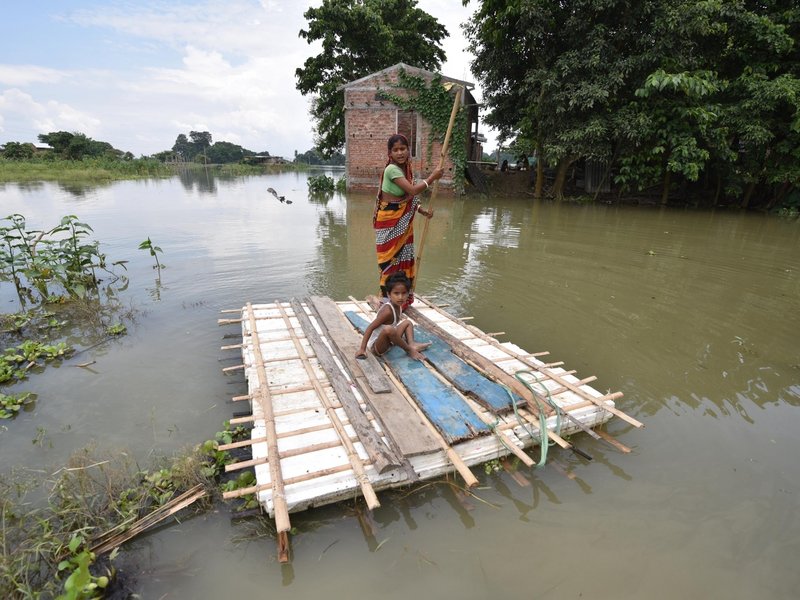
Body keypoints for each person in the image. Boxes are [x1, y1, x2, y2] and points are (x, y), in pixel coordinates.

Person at [373, 133, 443, 304]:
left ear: (408, 150)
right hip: (389, 224)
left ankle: (401, 298)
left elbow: (408, 199)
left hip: (402, 225)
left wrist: (422, 210)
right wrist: (432, 178)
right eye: (395, 150)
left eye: (403, 148)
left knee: (403, 258)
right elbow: (412, 191)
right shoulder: (392, 170)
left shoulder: (407, 170)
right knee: (389, 261)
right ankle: (387, 299)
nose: (400, 153)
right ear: (390, 153)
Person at [355, 271, 431, 361]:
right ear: (389, 294)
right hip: (377, 346)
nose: (400, 297)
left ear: (408, 293)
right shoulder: (387, 311)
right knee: (389, 329)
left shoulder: (399, 306)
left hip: (389, 340)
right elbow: (370, 328)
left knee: (407, 322)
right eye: (396, 293)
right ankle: (409, 350)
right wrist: (362, 349)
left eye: (404, 293)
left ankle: (412, 344)